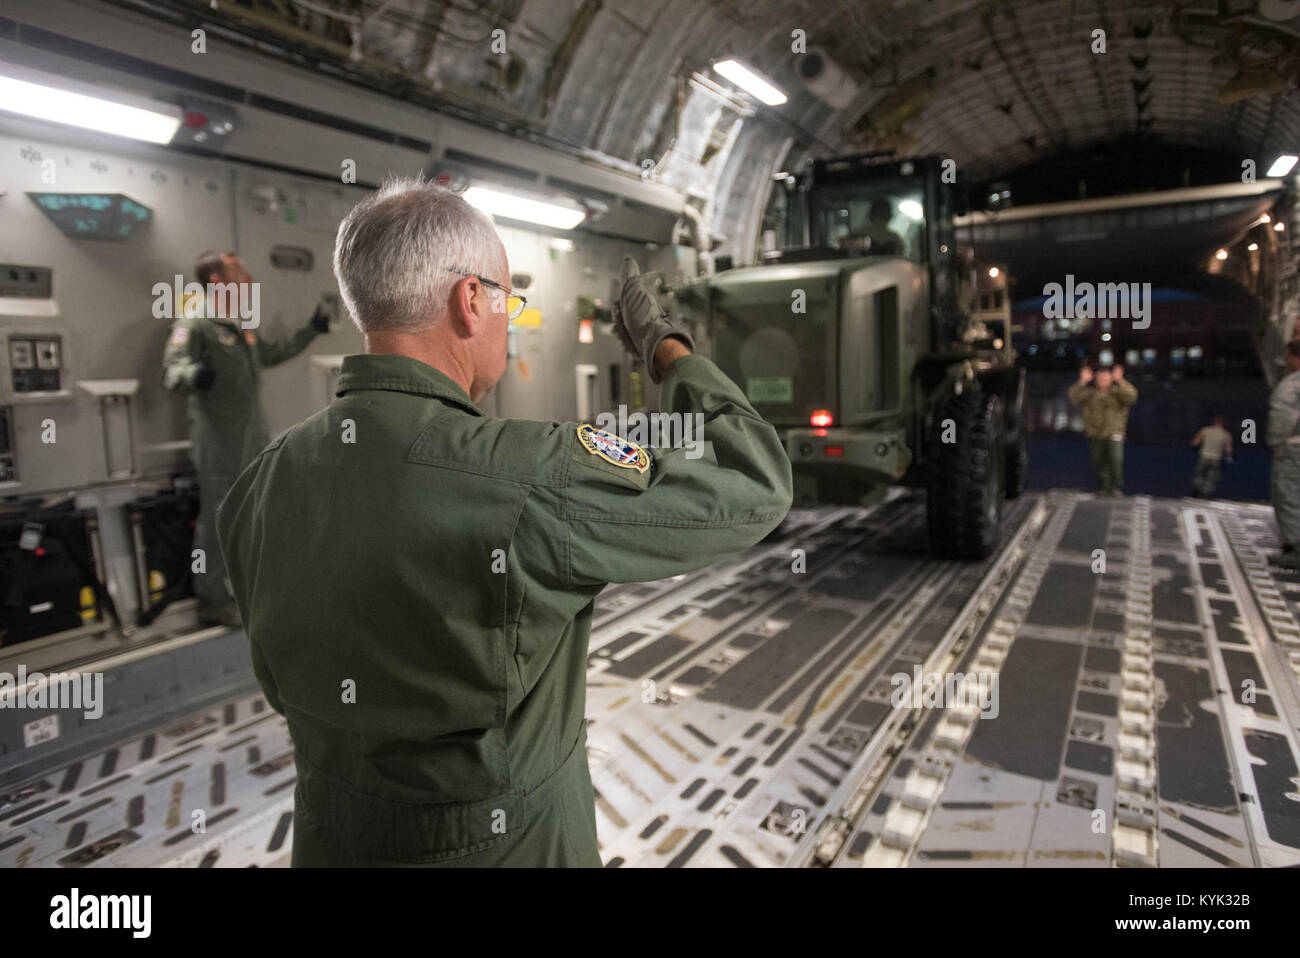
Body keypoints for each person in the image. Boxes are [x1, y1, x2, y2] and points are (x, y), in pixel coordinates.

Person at [215, 179, 793, 867]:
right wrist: (666, 347)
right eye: (507, 301)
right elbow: (755, 479)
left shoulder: (259, 484)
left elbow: (283, 691)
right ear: (469, 301)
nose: (508, 318)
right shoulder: (529, 475)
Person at [162, 251, 333, 627]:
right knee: (219, 515)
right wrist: (195, 375)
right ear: (217, 280)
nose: (248, 276)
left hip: (251, 434)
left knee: (253, 512)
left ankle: (247, 592)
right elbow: (173, 370)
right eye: (239, 271)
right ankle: (212, 599)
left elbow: (271, 354)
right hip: (218, 439)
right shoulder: (196, 323)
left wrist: (311, 330)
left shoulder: (240, 323)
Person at [1067, 363, 1138, 496]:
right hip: (1095, 432)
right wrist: (1082, 381)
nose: (1103, 381)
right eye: (1100, 378)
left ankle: (1116, 487)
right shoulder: (1090, 393)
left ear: (1111, 378)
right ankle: (1104, 487)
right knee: (1098, 461)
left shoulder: (1118, 392)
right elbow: (1073, 396)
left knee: (1115, 459)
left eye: (1106, 378)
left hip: (1114, 432)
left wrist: (1121, 381)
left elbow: (1132, 396)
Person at [1267, 340, 1300, 569]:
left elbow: (1281, 415)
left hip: (1294, 447)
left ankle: (1295, 548)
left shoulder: (1292, 383)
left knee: (1287, 495)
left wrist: (1276, 442)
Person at [1190, 415, 1233, 498]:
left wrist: (1195, 447)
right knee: (1211, 478)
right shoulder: (1226, 435)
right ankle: (1206, 494)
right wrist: (1229, 457)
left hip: (1204, 456)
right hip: (1216, 458)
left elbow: (1195, 442)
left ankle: (1197, 489)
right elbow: (1228, 449)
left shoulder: (1205, 430)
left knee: (1199, 475)